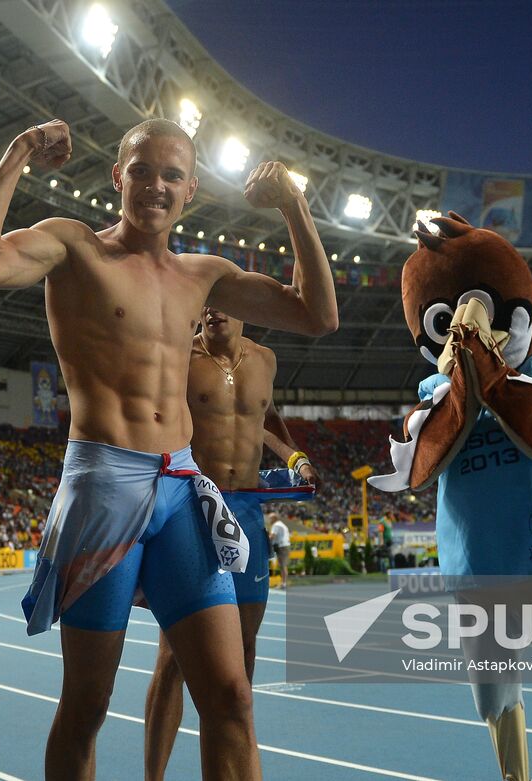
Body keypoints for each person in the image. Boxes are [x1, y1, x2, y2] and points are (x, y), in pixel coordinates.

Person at [0, 117, 337, 779]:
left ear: (190, 192)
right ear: (117, 177)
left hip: (183, 485)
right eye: (142, 170)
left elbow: (316, 314)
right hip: (105, 483)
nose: (155, 185)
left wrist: (295, 205)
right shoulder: (75, 248)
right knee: (88, 704)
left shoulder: (204, 275)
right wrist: (15, 152)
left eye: (172, 175)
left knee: (232, 695)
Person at [143, 308, 319, 780]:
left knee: (243, 648)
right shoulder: (181, 357)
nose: (211, 309)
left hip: (247, 510)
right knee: (174, 656)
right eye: (203, 301)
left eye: (222, 300)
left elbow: (266, 416)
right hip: (192, 506)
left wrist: (295, 457)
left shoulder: (265, 360)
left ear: (245, 309)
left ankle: (229, 756)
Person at [269, 516, 291, 588]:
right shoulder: (282, 524)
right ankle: (283, 583)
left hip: (282, 547)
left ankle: (283, 583)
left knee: (283, 565)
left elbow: (272, 536)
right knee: (283, 566)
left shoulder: (276, 525)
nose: (269, 520)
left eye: (270, 518)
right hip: (285, 546)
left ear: (274, 518)